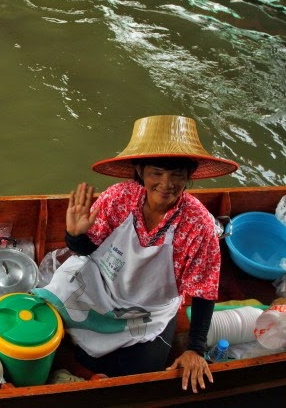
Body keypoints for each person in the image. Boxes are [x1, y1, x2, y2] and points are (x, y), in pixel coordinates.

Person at [32, 115, 239, 393]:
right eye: (156, 172)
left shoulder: (199, 224)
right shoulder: (119, 197)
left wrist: (196, 349)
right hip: (102, 283)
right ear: (140, 171)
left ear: (188, 176)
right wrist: (74, 236)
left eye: (177, 174)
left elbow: (203, 290)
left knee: (137, 373)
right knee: (48, 318)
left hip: (148, 308)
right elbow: (90, 252)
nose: (166, 184)